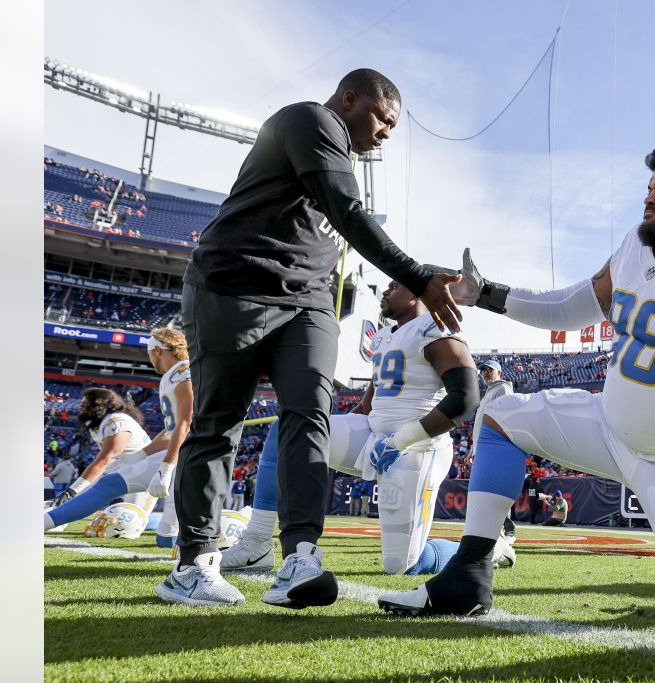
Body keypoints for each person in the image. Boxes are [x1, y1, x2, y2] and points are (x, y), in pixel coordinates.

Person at [378, 140, 655, 621]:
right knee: (500, 414)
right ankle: (469, 571)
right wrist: (486, 294)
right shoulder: (634, 247)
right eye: (648, 187)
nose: (649, 197)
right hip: (607, 426)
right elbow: (571, 307)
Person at [165, 69, 465, 608]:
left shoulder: (339, 157)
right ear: (349, 100)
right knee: (218, 423)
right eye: (382, 118)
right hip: (234, 285)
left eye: (393, 127)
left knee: (309, 418)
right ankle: (194, 564)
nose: (386, 134)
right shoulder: (311, 119)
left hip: (306, 302)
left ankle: (300, 557)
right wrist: (417, 274)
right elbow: (348, 214)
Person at [219, 278, 513, 581]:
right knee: (288, 427)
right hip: (373, 433)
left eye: (394, 286)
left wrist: (401, 440)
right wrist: (361, 408)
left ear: (416, 293)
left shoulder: (434, 329)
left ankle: (488, 548)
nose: (385, 291)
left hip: (416, 448)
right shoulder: (383, 336)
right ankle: (257, 540)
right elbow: (381, 384)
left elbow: (465, 398)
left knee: (401, 565)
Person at [45, 330, 193, 546]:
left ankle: (229, 530)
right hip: (179, 452)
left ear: (157, 351)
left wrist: (167, 466)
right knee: (108, 484)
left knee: (167, 541)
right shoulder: (172, 375)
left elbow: (186, 423)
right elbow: (172, 429)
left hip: (194, 456)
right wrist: (141, 455)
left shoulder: (185, 372)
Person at [472, 359, 518, 542]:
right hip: (484, 447)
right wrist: (474, 449)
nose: (486, 373)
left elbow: (506, 414)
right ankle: (493, 531)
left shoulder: (502, 388)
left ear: (499, 372)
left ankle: (508, 531)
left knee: (496, 489)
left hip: (495, 446)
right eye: (483, 370)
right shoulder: (490, 391)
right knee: (486, 491)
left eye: (490, 370)